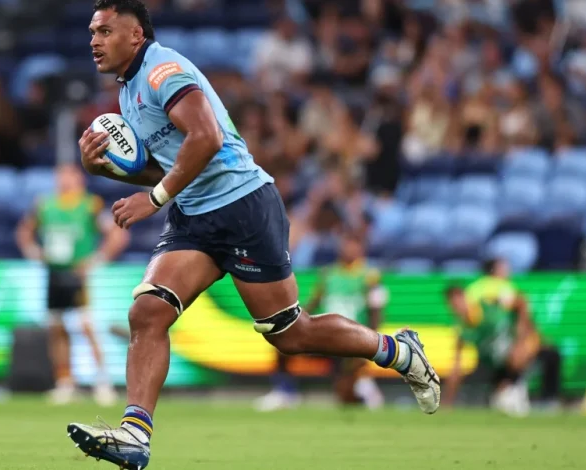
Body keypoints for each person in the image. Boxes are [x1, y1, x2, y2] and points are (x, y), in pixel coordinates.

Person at [67, 1, 440, 468]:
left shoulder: (162, 71)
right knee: (148, 311)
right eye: (92, 32)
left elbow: (207, 139)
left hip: (242, 207)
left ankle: (399, 351)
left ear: (136, 35)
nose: (94, 41)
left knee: (291, 334)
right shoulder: (128, 91)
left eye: (104, 31)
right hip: (195, 217)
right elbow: (170, 167)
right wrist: (104, 168)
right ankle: (134, 436)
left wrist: (155, 199)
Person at [16, 163, 129, 406]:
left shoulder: (90, 205)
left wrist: (97, 260)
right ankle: (65, 382)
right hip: (54, 272)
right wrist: (33, 251)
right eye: (61, 176)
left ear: (79, 179)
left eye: (69, 176)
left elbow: (116, 234)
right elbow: (25, 230)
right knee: (56, 328)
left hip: (77, 275)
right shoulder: (45, 204)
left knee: (85, 326)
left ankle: (102, 382)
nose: (64, 181)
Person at [254, 231, 387, 412]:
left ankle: (363, 385)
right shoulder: (328, 274)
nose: (349, 249)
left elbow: (376, 315)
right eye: (346, 244)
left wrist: (369, 347)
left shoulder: (370, 277)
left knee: (346, 399)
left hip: (352, 342)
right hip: (326, 337)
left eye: (353, 245)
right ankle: (285, 392)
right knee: (282, 346)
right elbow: (313, 304)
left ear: (361, 249)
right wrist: (290, 323)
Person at [443, 261, 562, 416]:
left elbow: (521, 302)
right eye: (453, 304)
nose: (458, 306)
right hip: (495, 365)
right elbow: (456, 368)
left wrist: (520, 340)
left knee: (549, 354)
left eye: (459, 300)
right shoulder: (463, 330)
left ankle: (545, 400)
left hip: (515, 353)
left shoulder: (488, 306)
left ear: (465, 297)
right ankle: (508, 391)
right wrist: (446, 403)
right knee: (496, 400)